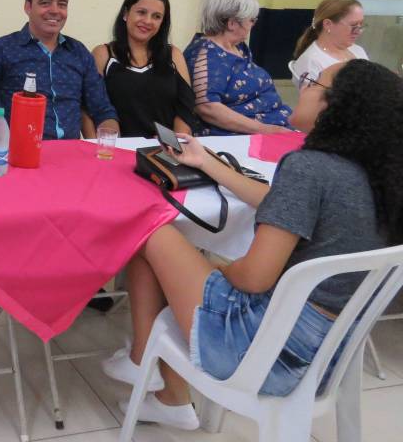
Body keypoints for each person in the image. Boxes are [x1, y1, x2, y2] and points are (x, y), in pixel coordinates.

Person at [106, 60, 401, 431]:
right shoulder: (376, 177)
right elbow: (279, 201)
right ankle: (166, 394)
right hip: (324, 360)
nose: (303, 87)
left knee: (152, 230)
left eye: (313, 82)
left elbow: (253, 278)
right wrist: (208, 163)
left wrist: (216, 268)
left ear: (337, 104)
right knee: (173, 255)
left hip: (257, 353)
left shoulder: (309, 168)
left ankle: (147, 368)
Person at [0, 0, 119, 142]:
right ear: (28, 7)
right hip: (22, 154)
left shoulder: (78, 52)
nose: (55, 10)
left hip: (71, 152)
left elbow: (103, 110)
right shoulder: (1, 50)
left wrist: (109, 147)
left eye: (62, 4)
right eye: (45, 3)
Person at [183, 0, 292, 136]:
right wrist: (266, 130)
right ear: (232, 23)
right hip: (240, 136)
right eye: (251, 20)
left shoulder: (238, 47)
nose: (253, 25)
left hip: (271, 125)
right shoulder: (207, 54)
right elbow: (207, 107)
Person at [89, 0, 195, 138]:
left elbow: (185, 108)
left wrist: (174, 144)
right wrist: (98, 146)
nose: (147, 21)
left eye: (156, 16)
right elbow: (89, 106)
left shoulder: (173, 55)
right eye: (141, 12)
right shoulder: (103, 54)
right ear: (125, 14)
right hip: (118, 147)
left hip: (164, 148)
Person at [291, 0, 368, 89]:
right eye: (353, 25)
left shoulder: (358, 50)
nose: (359, 31)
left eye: (361, 25)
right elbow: (314, 98)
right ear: (328, 24)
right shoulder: (311, 62)